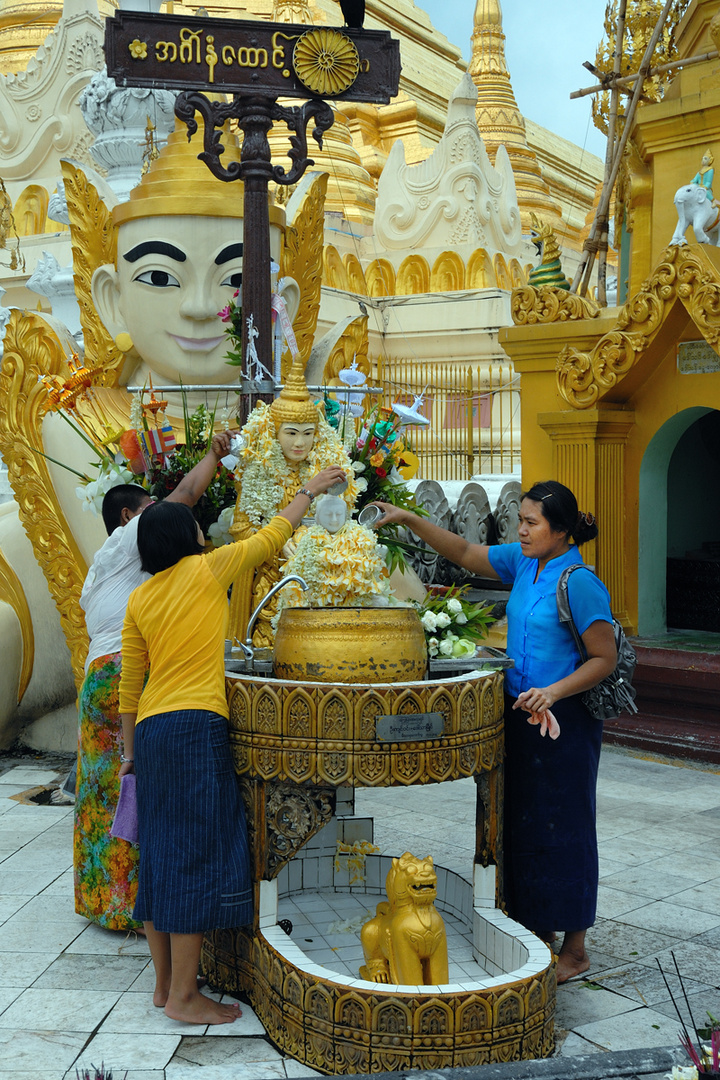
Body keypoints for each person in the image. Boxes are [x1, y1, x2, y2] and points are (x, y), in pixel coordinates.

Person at [118, 463, 346, 1025]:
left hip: (151, 731)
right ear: (187, 539)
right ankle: (185, 998)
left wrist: (128, 755)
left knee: (162, 853)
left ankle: (163, 985)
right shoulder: (206, 569)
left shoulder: (140, 599)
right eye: (196, 526)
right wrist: (309, 490)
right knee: (193, 854)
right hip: (196, 726)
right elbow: (273, 534)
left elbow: (128, 687)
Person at [371, 480, 617, 984]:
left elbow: (605, 658)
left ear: (563, 532)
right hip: (519, 713)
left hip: (562, 722)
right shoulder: (526, 561)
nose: (521, 530)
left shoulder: (579, 581)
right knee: (523, 823)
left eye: (531, 524)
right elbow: (463, 550)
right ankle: (537, 932)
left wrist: (553, 691)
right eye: (520, 520)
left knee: (564, 826)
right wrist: (408, 518)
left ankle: (575, 949)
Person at [74, 432, 237, 932]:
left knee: (104, 792)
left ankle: (104, 900)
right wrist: (213, 455)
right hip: (132, 672)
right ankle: (142, 906)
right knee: (147, 791)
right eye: (150, 505)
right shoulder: (131, 538)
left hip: (97, 680)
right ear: (130, 517)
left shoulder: (98, 569)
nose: (160, 510)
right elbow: (186, 495)